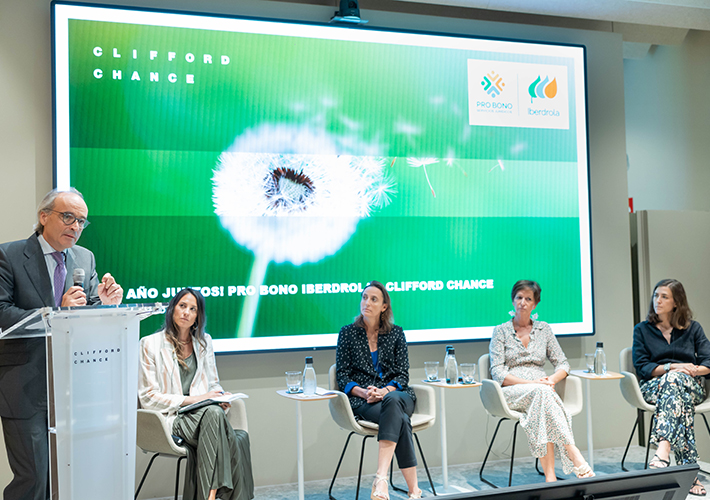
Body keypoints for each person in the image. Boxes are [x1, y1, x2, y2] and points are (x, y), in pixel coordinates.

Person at [0, 188, 123, 500]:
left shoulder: (85, 258)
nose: (75, 226)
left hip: (73, 387)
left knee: (67, 474)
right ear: (44, 217)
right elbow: (2, 313)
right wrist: (57, 314)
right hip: (25, 385)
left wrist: (105, 305)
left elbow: (88, 317)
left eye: (81, 221)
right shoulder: (9, 255)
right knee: (34, 477)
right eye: (68, 217)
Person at [138, 288, 254, 500]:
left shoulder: (203, 342)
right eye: (182, 306)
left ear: (198, 316)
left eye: (193, 309)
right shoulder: (150, 344)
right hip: (172, 419)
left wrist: (220, 396)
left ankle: (209, 496)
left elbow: (213, 384)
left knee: (214, 413)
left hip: (205, 416)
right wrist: (194, 400)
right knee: (235, 437)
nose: (186, 312)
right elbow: (148, 397)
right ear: (173, 308)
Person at [489, 280, 594, 481]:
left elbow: (563, 363)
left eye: (528, 299)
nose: (522, 302)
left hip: (543, 391)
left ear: (535, 304)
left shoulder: (544, 329)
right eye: (519, 297)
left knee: (542, 401)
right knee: (542, 394)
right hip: (512, 391)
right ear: (513, 300)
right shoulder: (500, 331)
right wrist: (534, 384)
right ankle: (574, 453)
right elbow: (498, 373)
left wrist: (551, 380)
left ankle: (551, 477)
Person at [336, 281, 421, 500]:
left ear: (384, 306)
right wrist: (364, 393)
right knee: (400, 420)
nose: (367, 302)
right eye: (364, 297)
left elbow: (403, 375)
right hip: (365, 401)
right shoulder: (347, 333)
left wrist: (384, 391)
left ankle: (380, 478)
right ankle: (414, 490)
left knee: (393, 400)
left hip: (399, 395)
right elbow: (342, 376)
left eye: (374, 299)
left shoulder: (396, 333)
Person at [633, 278, 710, 497]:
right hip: (654, 387)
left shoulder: (693, 328)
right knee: (674, 387)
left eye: (664, 296)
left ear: (676, 303)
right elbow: (642, 367)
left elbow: (708, 362)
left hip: (690, 386)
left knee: (676, 384)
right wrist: (673, 367)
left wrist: (692, 370)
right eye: (656, 295)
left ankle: (663, 450)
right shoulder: (642, 330)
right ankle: (689, 472)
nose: (657, 300)